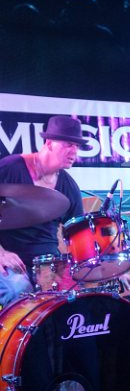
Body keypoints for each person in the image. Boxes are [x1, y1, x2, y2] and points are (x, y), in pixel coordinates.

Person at [0, 115, 85, 308]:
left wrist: (109, 268)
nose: (74, 151)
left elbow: (79, 235)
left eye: (77, 146)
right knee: (20, 290)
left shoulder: (69, 186)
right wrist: (1, 253)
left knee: (76, 299)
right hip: (8, 259)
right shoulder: (10, 169)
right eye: (68, 144)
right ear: (49, 143)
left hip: (47, 263)